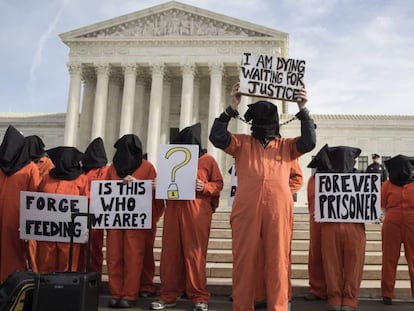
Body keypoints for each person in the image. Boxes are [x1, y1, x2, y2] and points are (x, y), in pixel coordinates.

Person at [209, 82, 316, 311]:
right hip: (246, 210)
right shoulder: (241, 143)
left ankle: (277, 306)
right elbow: (217, 137)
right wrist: (231, 107)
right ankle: (242, 306)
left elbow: (309, 142)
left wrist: (303, 109)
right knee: (244, 260)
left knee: (278, 260)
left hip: (278, 211)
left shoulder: (286, 146)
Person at [150, 123, 224, 311]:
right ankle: (168, 295)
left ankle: (199, 296)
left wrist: (205, 187)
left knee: (195, 254)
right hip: (174, 209)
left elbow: (218, 184)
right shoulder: (171, 159)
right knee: (170, 254)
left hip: (197, 212)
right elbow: (166, 185)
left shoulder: (208, 160)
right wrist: (157, 184)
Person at [106, 134, 164, 309]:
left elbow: (156, 193)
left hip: (136, 223)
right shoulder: (112, 169)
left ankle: (130, 294)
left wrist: (139, 184)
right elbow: (104, 193)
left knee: (133, 258)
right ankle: (116, 293)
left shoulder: (147, 167)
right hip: (116, 221)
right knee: (114, 257)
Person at [319, 145, 365, 311]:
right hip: (347, 227)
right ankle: (344, 299)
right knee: (345, 264)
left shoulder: (323, 178)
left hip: (338, 227)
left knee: (337, 264)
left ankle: (340, 298)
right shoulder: (324, 179)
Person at [253, 159, 304, 309]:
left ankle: (282, 297)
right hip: (254, 208)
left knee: (279, 256)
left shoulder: (287, 154)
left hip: (277, 209)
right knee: (256, 255)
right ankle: (259, 294)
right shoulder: (251, 153)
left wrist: (280, 192)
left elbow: (297, 178)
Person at [36, 146, 89, 273]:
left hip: (70, 231)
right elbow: (37, 200)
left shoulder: (81, 179)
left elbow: (87, 202)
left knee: (68, 262)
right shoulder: (47, 177)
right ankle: (46, 288)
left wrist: (85, 226)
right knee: (46, 261)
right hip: (48, 230)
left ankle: (67, 289)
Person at [0, 125, 40, 283]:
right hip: (17, 216)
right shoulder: (30, 168)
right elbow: (34, 198)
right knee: (14, 252)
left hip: (14, 217)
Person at [380, 154, 414, 305]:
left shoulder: (387, 185)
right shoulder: (410, 184)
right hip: (407, 220)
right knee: (397, 258)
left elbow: (382, 204)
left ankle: (387, 292)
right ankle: (388, 292)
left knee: (391, 258)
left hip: (395, 220)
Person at [79, 137, 109, 274]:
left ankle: (90, 274)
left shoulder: (83, 172)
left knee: (90, 247)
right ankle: (91, 275)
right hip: (92, 214)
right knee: (91, 247)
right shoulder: (106, 171)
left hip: (91, 214)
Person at [304, 144, 330, 301]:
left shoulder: (313, 180)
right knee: (317, 255)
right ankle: (318, 288)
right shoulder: (313, 180)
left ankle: (324, 288)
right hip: (318, 220)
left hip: (324, 220)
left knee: (327, 256)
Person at [25, 134, 54, 272]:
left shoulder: (47, 163)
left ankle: (37, 271)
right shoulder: (24, 163)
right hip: (29, 206)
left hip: (42, 207)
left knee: (38, 243)